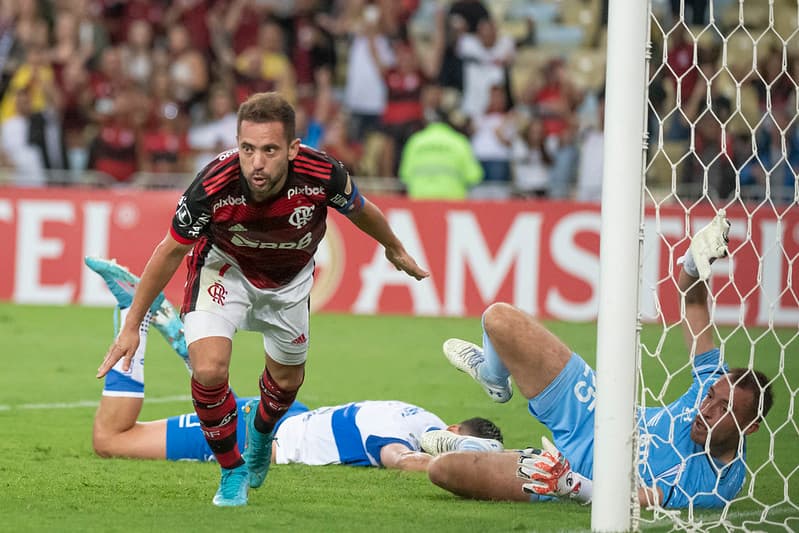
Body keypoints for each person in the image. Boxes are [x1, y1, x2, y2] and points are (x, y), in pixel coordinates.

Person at [95, 92, 429, 507]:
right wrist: (132, 326)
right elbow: (169, 251)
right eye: (247, 148)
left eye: (269, 150)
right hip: (225, 270)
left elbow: (361, 209)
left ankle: (261, 436)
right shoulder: (213, 184)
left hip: (289, 284)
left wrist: (392, 246)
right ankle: (232, 470)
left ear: (292, 148)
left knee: (287, 383)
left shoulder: (321, 172)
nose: (256, 162)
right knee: (209, 369)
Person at [424, 212, 774, 509]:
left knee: (443, 470)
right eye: (711, 396)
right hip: (594, 408)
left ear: (750, 427)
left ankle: (481, 448)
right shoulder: (710, 381)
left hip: (573, 472)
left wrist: (572, 485)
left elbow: (641, 499)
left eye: (724, 408)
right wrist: (693, 263)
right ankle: (492, 378)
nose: (707, 408)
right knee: (498, 319)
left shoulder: (717, 485)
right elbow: (694, 303)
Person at [86, 257, 501, 473]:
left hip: (279, 420)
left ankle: (172, 334)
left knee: (208, 389)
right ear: (451, 434)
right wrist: (465, 467)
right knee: (112, 440)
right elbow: (405, 462)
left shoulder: (418, 417)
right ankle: (134, 316)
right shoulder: (399, 438)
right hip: (261, 432)